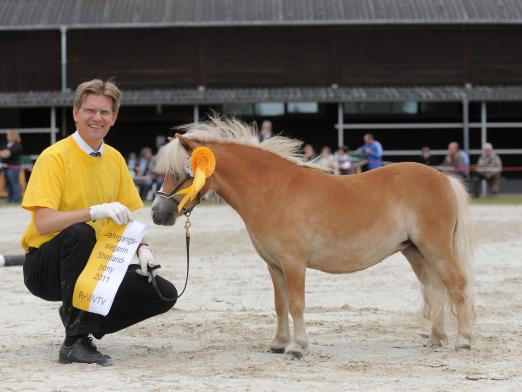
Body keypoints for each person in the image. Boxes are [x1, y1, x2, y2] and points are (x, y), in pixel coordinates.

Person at [21, 79, 177, 366]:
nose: (97, 118)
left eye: (105, 112)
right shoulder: (53, 157)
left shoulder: (115, 160)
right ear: (75, 113)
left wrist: (142, 247)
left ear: (114, 118)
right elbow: (43, 224)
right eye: (90, 110)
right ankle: (74, 341)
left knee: (163, 294)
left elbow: (127, 218)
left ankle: (79, 317)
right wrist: (93, 211)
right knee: (81, 232)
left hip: (95, 267)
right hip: (46, 268)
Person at [0, 129, 23, 203]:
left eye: (9, 134)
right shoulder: (6, 144)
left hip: (13, 167)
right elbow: (3, 153)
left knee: (14, 183)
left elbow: (6, 154)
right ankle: (10, 198)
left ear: (13, 135)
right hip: (5, 167)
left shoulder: (17, 145)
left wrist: (4, 153)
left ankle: (16, 199)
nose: (7, 136)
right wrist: (4, 153)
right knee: (7, 184)